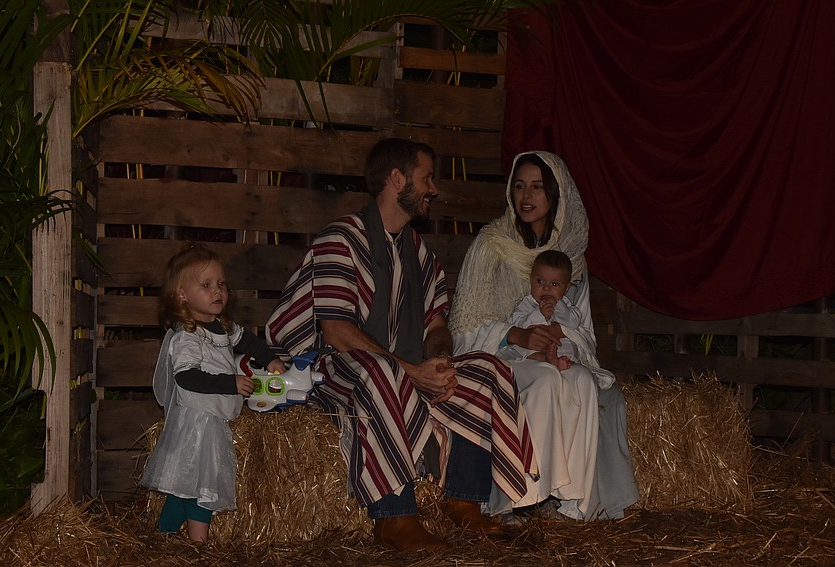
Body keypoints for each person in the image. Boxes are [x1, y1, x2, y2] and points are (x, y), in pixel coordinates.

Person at [266, 138, 535, 552]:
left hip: (403, 369)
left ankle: (464, 501)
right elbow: (337, 332)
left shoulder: (421, 254)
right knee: (381, 370)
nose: (434, 189)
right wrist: (412, 372)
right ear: (397, 179)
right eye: (426, 178)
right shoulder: (340, 240)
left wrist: (440, 361)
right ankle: (394, 517)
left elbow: (437, 325)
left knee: (488, 370)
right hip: (328, 370)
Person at [449, 151, 639, 520]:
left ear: (556, 195)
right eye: (519, 186)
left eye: (537, 187)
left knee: (582, 381)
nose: (526, 196)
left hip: (558, 355)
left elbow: (585, 334)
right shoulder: (491, 247)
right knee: (547, 381)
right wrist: (517, 335)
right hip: (503, 357)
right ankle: (521, 494)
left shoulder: (571, 259)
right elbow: (464, 330)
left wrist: (559, 335)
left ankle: (574, 501)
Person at [140, 244, 285, 542]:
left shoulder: (223, 327)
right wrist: (229, 383)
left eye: (221, 284)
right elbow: (187, 377)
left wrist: (270, 359)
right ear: (182, 295)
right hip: (196, 422)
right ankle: (199, 545)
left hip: (212, 419)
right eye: (205, 285)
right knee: (203, 485)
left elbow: (248, 341)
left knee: (188, 486)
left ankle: (162, 535)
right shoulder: (187, 336)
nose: (217, 291)